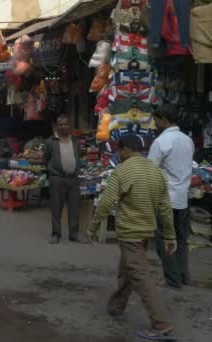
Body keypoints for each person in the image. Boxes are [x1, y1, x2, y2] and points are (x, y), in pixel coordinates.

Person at [87, 135, 177, 341]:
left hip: (130, 233)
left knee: (141, 277)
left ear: (124, 149)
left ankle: (161, 324)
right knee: (127, 270)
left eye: (119, 152)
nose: (119, 155)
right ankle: (116, 307)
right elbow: (165, 208)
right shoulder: (157, 172)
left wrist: (92, 227)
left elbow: (106, 202)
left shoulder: (122, 170)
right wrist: (170, 236)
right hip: (145, 232)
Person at [149, 104, 194, 289]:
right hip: (182, 198)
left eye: (156, 120)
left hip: (165, 198)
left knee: (164, 240)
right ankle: (183, 276)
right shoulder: (187, 140)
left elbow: (150, 171)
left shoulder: (161, 142)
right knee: (181, 240)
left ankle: (172, 279)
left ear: (164, 120)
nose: (155, 123)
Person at [43, 115, 82, 244]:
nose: (63, 126)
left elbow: (78, 156)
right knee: (56, 207)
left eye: (65, 124)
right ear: (56, 126)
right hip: (57, 179)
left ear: (69, 125)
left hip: (73, 179)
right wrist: (52, 172)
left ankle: (74, 234)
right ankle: (56, 234)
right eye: (60, 124)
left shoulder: (75, 141)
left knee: (74, 208)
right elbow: (45, 159)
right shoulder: (50, 142)